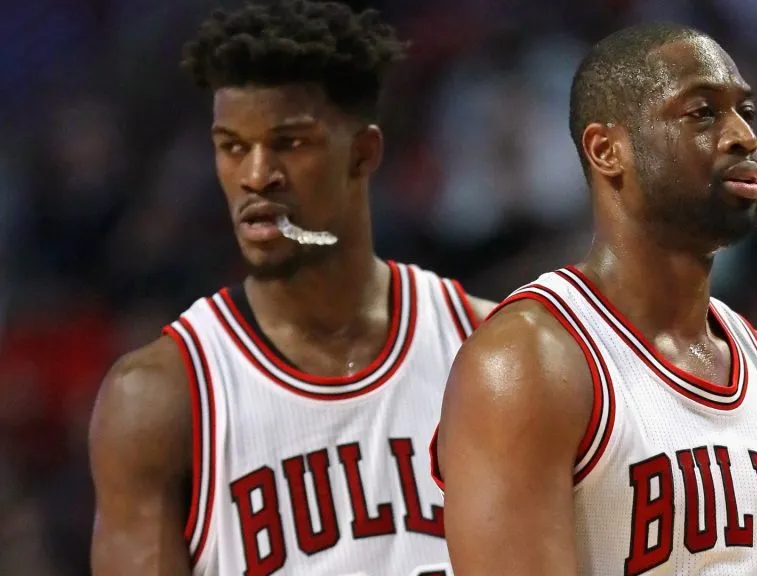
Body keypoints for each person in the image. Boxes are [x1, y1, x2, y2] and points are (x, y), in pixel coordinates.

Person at [89, 2, 493, 575]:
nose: (257, 175)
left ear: (363, 153)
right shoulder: (158, 400)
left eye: (291, 143)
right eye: (233, 146)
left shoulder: (487, 352)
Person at [431, 23, 757, 576]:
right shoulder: (528, 360)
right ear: (608, 150)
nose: (742, 137)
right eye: (702, 113)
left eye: (746, 113)